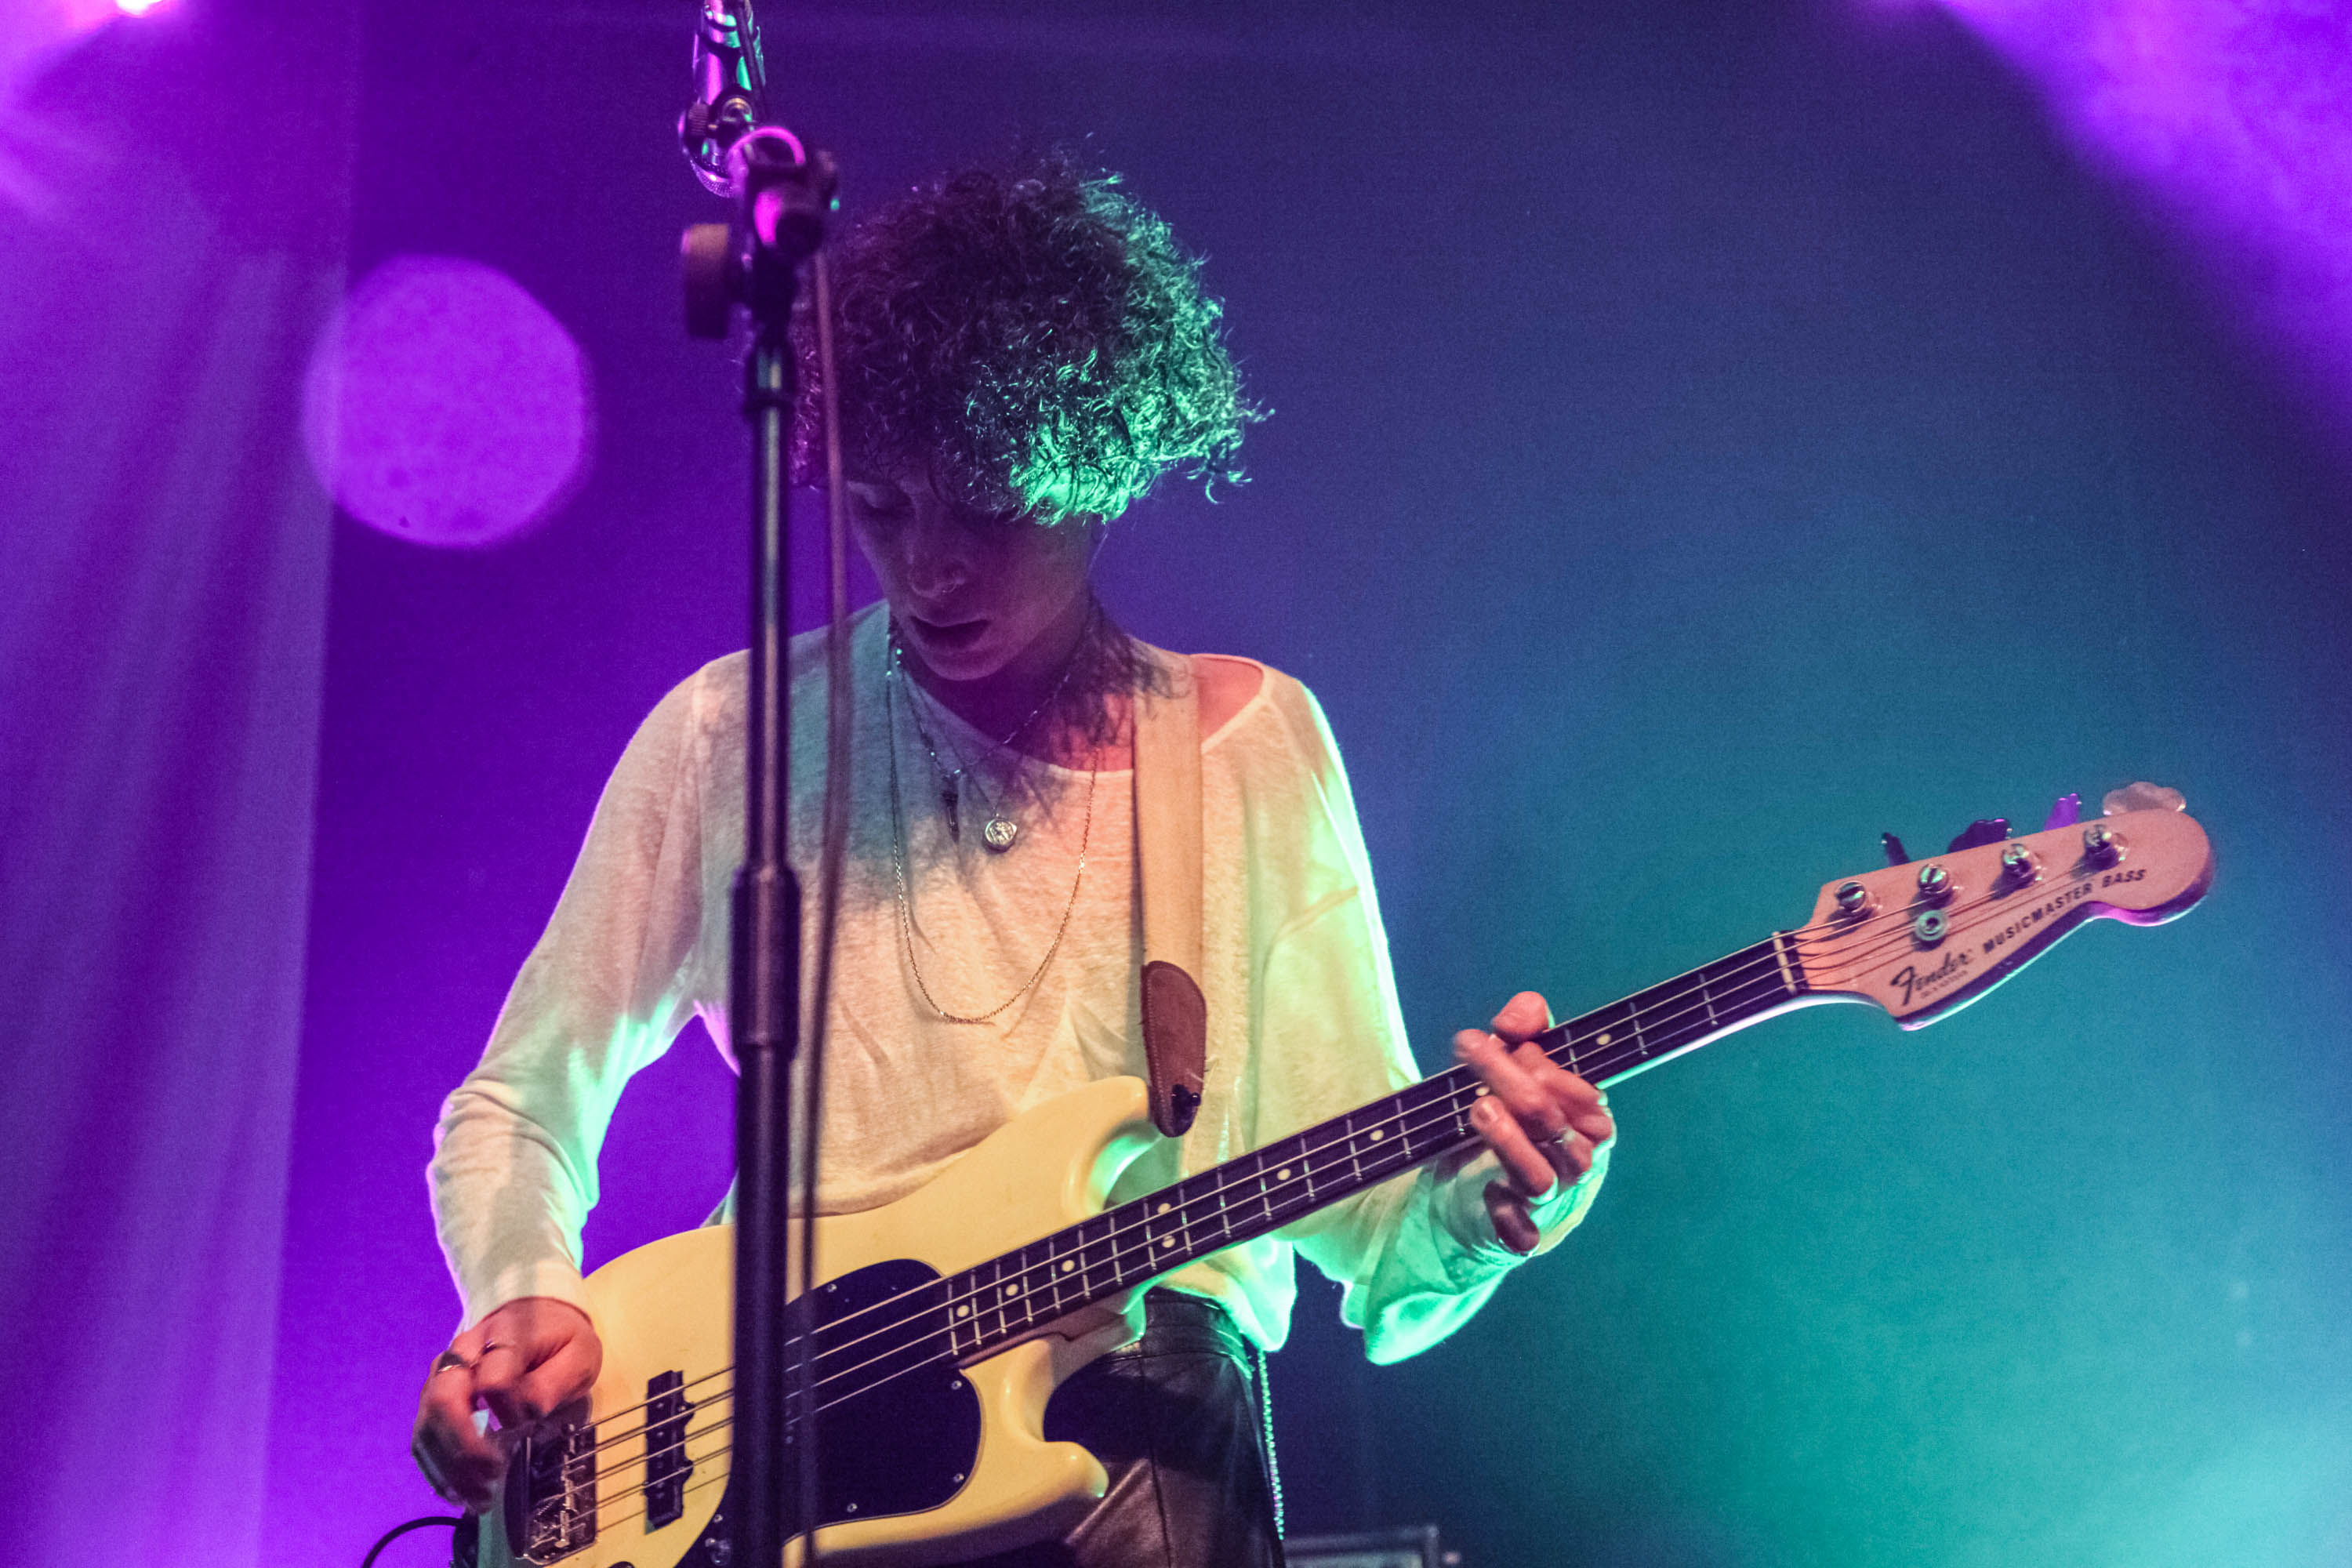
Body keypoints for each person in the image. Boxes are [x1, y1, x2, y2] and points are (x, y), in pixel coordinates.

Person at [411, 154, 1616, 1566]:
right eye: (883, 506)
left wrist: (1498, 1195)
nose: (930, 567)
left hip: (1132, 1426)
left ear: (1100, 469)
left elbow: (1370, 1217)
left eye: (986, 506)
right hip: (764, 1431)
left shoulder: (1245, 745)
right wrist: (523, 1291)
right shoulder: (735, 736)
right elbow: (518, 1103)